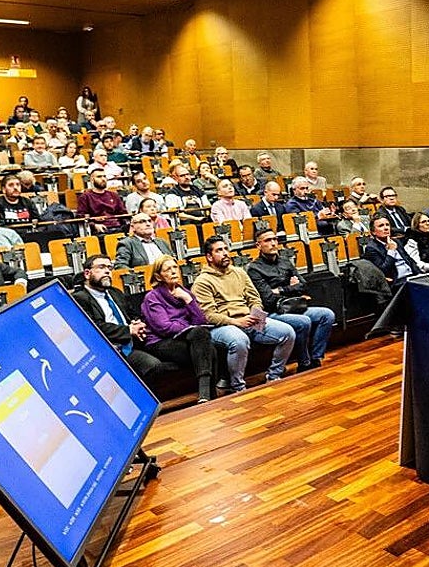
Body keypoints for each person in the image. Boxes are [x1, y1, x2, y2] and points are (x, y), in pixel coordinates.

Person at [192, 236, 296, 391]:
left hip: (248, 318)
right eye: (219, 250)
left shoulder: (239, 272)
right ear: (209, 257)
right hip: (223, 325)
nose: (225, 253)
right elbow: (208, 315)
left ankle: (273, 375)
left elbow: (254, 298)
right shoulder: (202, 281)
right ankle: (238, 386)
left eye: (226, 249)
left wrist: (256, 315)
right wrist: (237, 322)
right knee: (239, 341)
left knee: (287, 333)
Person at [247, 228, 335, 370]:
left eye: (275, 239)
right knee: (304, 321)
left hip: (294, 306)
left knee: (327, 315)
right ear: (258, 245)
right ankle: (304, 362)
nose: (273, 243)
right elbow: (268, 299)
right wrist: (291, 288)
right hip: (274, 312)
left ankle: (316, 357)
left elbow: (303, 286)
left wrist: (281, 290)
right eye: (268, 240)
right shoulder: (254, 269)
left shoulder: (285, 261)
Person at [140, 256, 219, 402]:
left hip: (188, 338)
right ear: (158, 276)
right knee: (207, 348)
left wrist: (188, 300)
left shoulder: (184, 293)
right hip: (160, 342)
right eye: (168, 270)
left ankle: (205, 396)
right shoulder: (152, 297)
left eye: (175, 267)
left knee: (204, 340)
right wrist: (189, 328)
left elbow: (201, 321)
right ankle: (209, 394)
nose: (173, 272)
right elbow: (164, 327)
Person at [362, 215, 417, 291]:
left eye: (387, 225)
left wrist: (420, 275)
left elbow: (409, 260)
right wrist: (391, 251)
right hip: (398, 282)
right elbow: (383, 270)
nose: (386, 228)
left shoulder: (396, 241)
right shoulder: (371, 248)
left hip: (412, 277)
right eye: (381, 226)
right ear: (373, 232)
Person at [77, 167, 128, 233]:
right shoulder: (85, 197)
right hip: (99, 229)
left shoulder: (114, 195)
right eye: (99, 177)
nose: (103, 179)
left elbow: (123, 213)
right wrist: (94, 225)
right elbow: (81, 216)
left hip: (118, 226)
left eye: (104, 176)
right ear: (92, 180)